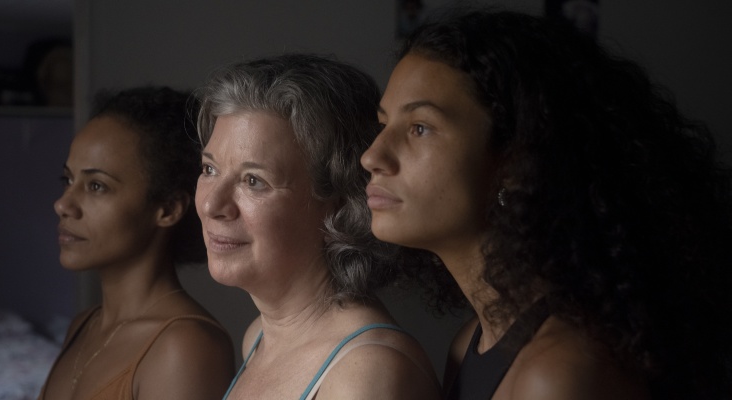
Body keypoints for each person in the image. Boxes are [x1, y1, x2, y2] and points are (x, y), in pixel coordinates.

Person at [360, 9, 732, 400]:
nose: (372, 156)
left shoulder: (557, 373)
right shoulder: (470, 343)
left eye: (419, 128)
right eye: (384, 125)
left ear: (516, 163)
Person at [194, 53, 441, 400]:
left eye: (253, 181)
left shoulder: (367, 374)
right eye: (209, 170)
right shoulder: (259, 337)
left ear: (339, 203)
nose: (211, 205)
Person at [40, 86, 235, 400]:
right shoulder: (83, 326)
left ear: (168, 209)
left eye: (96, 186)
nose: (63, 204)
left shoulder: (185, 346)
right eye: (68, 180)